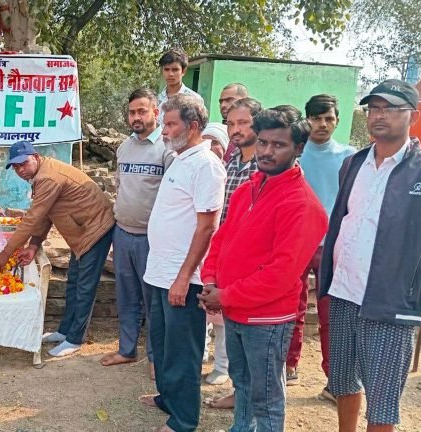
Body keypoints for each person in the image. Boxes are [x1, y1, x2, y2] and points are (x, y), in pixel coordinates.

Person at [199, 106, 328, 432]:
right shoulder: (248, 189)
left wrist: (224, 295)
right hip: (234, 309)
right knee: (242, 385)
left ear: (298, 149)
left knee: (266, 399)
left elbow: (281, 275)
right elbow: (221, 239)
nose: (267, 151)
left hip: (267, 320)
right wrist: (211, 279)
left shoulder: (301, 204)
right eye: (263, 142)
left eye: (279, 145)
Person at [319, 79, 421, 432]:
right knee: (342, 382)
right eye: (374, 108)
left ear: (412, 116)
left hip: (391, 300)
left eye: (391, 108)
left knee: (382, 400)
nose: (379, 115)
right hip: (343, 292)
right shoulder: (353, 165)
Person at [138, 94, 226, 432]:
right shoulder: (180, 160)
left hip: (182, 279)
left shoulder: (206, 165)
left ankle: (184, 419)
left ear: (192, 126)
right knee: (161, 343)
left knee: (183, 350)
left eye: (171, 124)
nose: (164, 130)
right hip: (160, 272)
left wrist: (184, 277)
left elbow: (207, 227)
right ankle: (167, 398)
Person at [0, 141, 115, 357]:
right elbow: (47, 214)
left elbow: (32, 219)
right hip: (84, 233)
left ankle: (75, 339)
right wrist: (33, 245)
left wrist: (6, 252)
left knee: (84, 287)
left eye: (24, 163)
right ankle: (65, 331)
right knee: (74, 283)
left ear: (36, 157)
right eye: (16, 167)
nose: (21, 170)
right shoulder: (43, 174)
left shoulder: (47, 177)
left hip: (96, 230)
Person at [284, 95, 355, 399]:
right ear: (306, 119)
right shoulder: (294, 153)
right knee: (291, 306)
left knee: (330, 313)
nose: (322, 124)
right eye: (315, 118)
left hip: (332, 245)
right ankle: (288, 365)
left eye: (328, 118)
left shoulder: (350, 157)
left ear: (337, 120)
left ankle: (334, 380)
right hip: (296, 242)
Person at [100, 89, 172, 379]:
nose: (136, 117)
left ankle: (156, 358)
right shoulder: (124, 147)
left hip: (151, 239)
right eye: (132, 112)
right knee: (126, 296)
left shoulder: (167, 149)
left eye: (142, 111)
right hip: (123, 233)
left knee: (153, 301)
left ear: (156, 112)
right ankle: (127, 350)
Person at [204, 97, 262, 396]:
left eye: (243, 123)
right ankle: (227, 373)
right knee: (223, 317)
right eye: (232, 124)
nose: (236, 129)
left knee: (249, 328)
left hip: (252, 257)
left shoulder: (266, 165)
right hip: (224, 250)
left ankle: (244, 391)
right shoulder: (231, 161)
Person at [157, 47, 204, 123]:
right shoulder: (156, 101)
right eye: (166, 69)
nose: (170, 74)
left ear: (183, 71)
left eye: (175, 70)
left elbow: (199, 129)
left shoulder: (194, 100)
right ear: (162, 71)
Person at [218, 83, 249, 162]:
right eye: (221, 102)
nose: (223, 105)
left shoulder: (256, 131)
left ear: (245, 100)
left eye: (229, 100)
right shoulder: (218, 131)